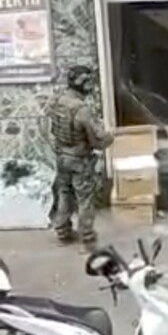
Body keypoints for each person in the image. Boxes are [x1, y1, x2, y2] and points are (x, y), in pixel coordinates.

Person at [48, 65, 113, 252]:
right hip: (79, 160)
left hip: (61, 157)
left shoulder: (56, 100)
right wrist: (111, 136)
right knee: (85, 199)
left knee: (64, 194)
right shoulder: (81, 109)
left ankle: (63, 232)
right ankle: (87, 240)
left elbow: (49, 128)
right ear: (83, 84)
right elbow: (99, 140)